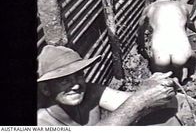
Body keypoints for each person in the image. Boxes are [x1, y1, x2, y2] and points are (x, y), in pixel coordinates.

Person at [37, 45, 182, 126]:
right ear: (45, 89)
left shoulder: (91, 92)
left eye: (79, 75)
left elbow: (130, 101)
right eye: (64, 80)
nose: (76, 85)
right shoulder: (41, 122)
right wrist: (140, 100)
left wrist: (160, 89)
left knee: (168, 120)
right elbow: (136, 103)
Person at [137, 0, 196, 84]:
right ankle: (190, 78)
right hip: (180, 56)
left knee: (161, 79)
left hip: (160, 57)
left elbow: (141, 30)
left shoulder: (149, 8)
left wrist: (142, 47)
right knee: (193, 56)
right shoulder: (182, 6)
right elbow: (187, 26)